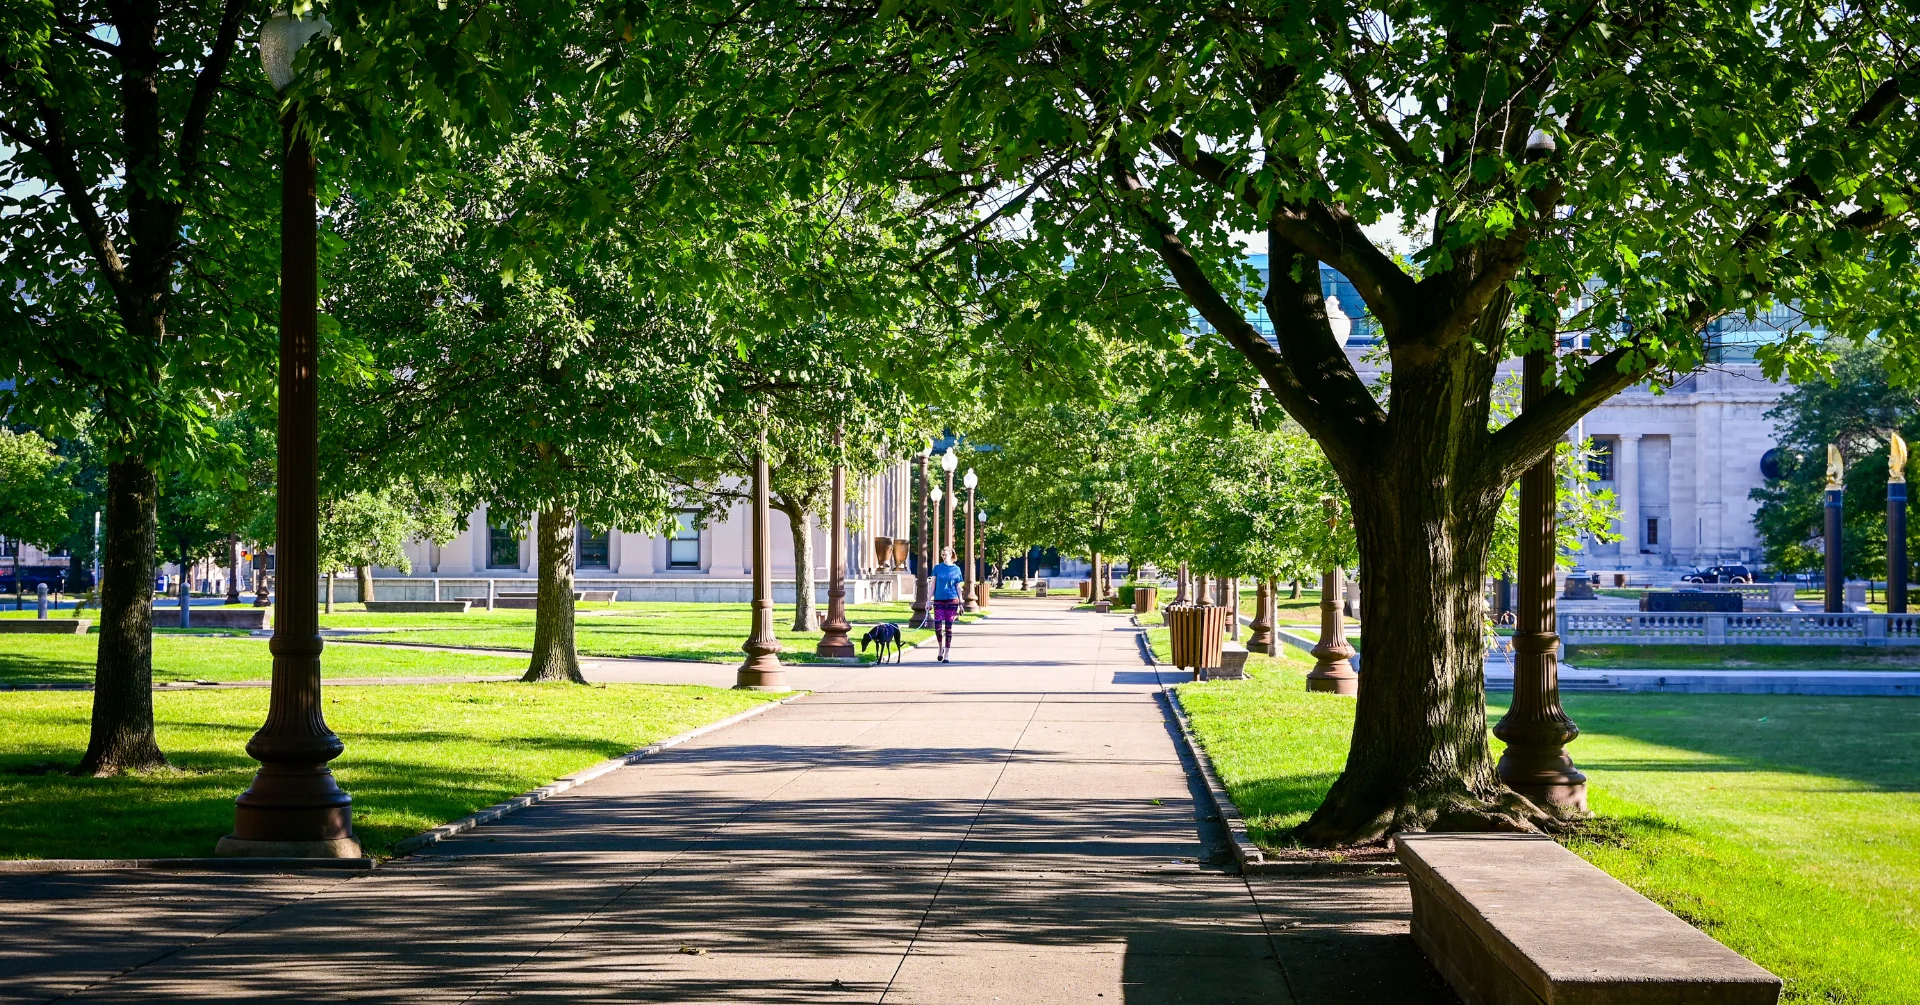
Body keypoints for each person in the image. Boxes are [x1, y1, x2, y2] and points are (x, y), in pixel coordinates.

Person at [930, 547, 964, 662]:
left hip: (952, 600)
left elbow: (958, 587)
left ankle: (947, 654)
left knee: (948, 628)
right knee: (937, 626)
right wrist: (928, 600)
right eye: (942, 554)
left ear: (951, 555)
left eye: (946, 554)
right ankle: (940, 648)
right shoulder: (937, 568)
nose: (944, 556)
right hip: (939, 600)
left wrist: (961, 602)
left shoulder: (956, 569)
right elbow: (932, 585)